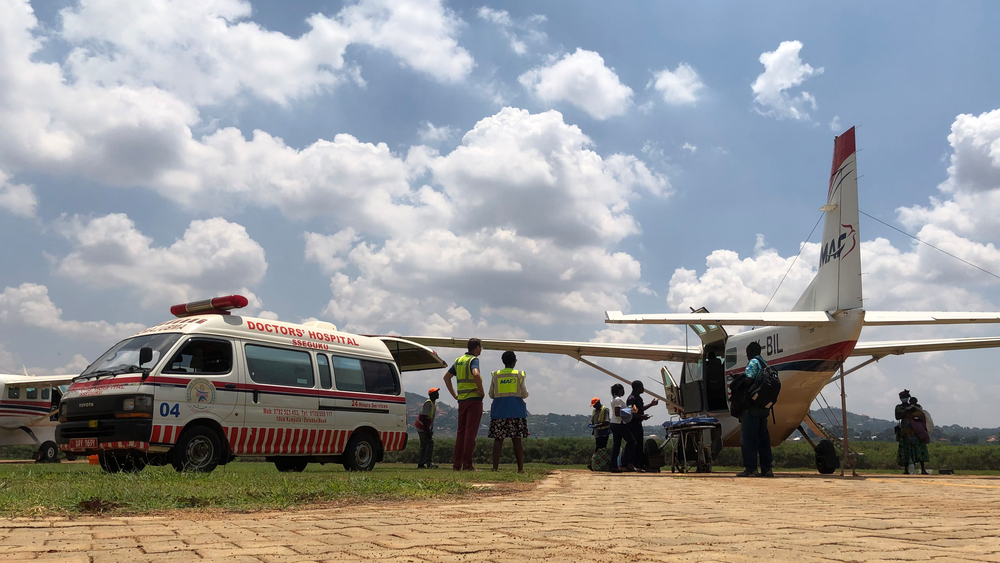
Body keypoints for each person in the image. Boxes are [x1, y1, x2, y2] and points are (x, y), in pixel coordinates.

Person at [444, 338, 485, 471]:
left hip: (462, 400)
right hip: (474, 400)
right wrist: (481, 390)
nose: (481, 350)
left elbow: (446, 378)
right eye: (481, 347)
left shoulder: (458, 361)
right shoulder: (473, 360)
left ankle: (457, 464)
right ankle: (468, 464)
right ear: (477, 347)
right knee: (470, 433)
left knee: (461, 433)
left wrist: (454, 395)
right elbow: (475, 373)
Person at [488, 350, 529, 473]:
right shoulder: (519, 374)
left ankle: (495, 468)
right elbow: (525, 393)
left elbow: (491, 394)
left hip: (499, 411)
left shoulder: (495, 375)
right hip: (516, 412)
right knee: (516, 439)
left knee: (498, 439)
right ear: (514, 362)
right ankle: (520, 469)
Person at [737, 341, 773, 477]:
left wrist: (739, 381)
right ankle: (767, 468)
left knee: (748, 439)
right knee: (763, 439)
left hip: (752, 406)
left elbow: (749, 380)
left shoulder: (753, 363)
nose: (747, 356)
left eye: (747, 353)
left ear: (751, 352)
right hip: (763, 408)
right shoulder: (765, 364)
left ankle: (751, 468)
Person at [626, 380, 659, 471]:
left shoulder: (638, 398)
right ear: (637, 388)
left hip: (638, 423)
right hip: (633, 424)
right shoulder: (631, 399)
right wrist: (641, 417)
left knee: (639, 445)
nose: (643, 388)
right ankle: (631, 464)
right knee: (634, 444)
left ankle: (637, 465)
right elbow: (632, 413)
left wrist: (651, 405)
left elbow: (640, 409)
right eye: (642, 387)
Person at [896, 391, 931, 474]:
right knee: (905, 451)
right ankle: (906, 470)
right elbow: (897, 417)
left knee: (919, 450)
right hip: (905, 432)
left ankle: (923, 469)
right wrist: (908, 411)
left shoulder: (915, 407)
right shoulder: (899, 407)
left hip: (916, 432)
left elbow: (921, 415)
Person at [609, 383, 636, 473]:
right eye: (622, 389)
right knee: (632, 442)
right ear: (619, 390)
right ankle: (628, 463)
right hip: (619, 423)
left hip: (614, 423)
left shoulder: (614, 399)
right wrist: (630, 411)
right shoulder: (618, 400)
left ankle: (614, 465)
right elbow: (617, 413)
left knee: (616, 445)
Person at [414, 388, 440, 469]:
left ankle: (422, 463)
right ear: (432, 395)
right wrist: (427, 429)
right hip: (422, 426)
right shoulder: (428, 403)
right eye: (436, 393)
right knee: (429, 444)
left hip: (425, 427)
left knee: (425, 445)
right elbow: (424, 417)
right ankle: (428, 463)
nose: (438, 394)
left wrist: (430, 429)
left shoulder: (433, 403)